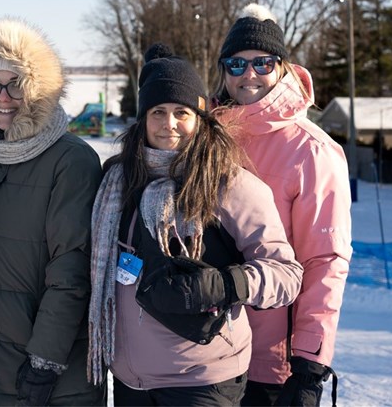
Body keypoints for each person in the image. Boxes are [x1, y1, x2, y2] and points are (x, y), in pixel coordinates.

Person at [87, 55, 303, 406]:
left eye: (181, 113)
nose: (168, 123)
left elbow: (287, 275)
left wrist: (225, 284)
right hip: (129, 382)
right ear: (142, 120)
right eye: (157, 111)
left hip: (201, 382)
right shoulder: (118, 182)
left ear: (200, 119)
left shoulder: (228, 184)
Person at [0, 17, 104, 406]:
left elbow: (72, 267)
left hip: (55, 376)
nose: (4, 98)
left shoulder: (72, 160)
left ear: (36, 90)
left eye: (15, 84)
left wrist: (45, 360)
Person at [213, 3, 352, 406]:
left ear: (283, 67)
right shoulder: (208, 139)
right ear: (223, 70)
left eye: (263, 63)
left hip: (270, 366)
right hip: (207, 356)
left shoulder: (312, 151)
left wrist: (309, 364)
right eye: (236, 64)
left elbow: (325, 260)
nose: (249, 74)